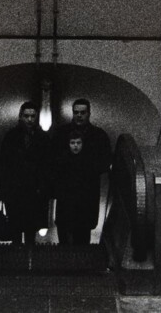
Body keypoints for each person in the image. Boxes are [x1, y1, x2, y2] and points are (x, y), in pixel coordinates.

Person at [51, 98, 112, 245]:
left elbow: (105, 161)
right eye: (76, 112)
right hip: (69, 191)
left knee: (82, 233)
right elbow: (51, 159)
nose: (79, 115)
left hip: (86, 192)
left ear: (89, 113)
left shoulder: (98, 135)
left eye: (82, 113)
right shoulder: (62, 133)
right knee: (66, 232)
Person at [0, 101, 52, 245]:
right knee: (20, 227)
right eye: (27, 116)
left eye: (32, 116)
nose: (30, 119)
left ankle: (19, 259)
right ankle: (25, 259)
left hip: (30, 190)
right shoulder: (39, 137)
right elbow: (4, 164)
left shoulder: (13, 136)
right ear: (21, 117)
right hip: (19, 190)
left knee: (27, 228)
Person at [53, 129, 97, 245]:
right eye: (73, 143)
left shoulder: (63, 161)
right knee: (75, 241)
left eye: (78, 143)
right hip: (72, 205)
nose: (75, 146)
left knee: (74, 240)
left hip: (76, 206)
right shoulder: (87, 162)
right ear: (68, 144)